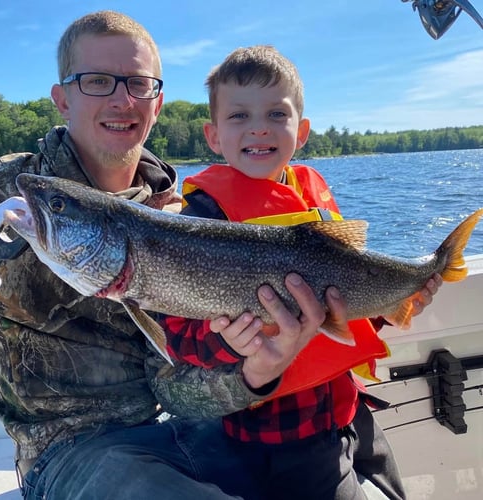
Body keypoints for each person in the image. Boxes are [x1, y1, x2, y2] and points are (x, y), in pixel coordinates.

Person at [0, 13, 349, 500]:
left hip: (183, 431)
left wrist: (257, 373)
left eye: (138, 84)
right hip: (68, 451)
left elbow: (171, 383)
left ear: (156, 104)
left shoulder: (181, 215)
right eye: (98, 81)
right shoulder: (14, 186)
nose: (122, 99)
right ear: (62, 98)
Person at [159, 45, 442, 500]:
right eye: (239, 117)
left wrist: (396, 303)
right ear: (212, 136)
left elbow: (344, 302)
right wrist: (225, 342)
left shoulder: (313, 198)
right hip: (277, 436)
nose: (258, 127)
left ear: (302, 130)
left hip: (349, 411)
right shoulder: (200, 217)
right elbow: (180, 336)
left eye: (276, 113)